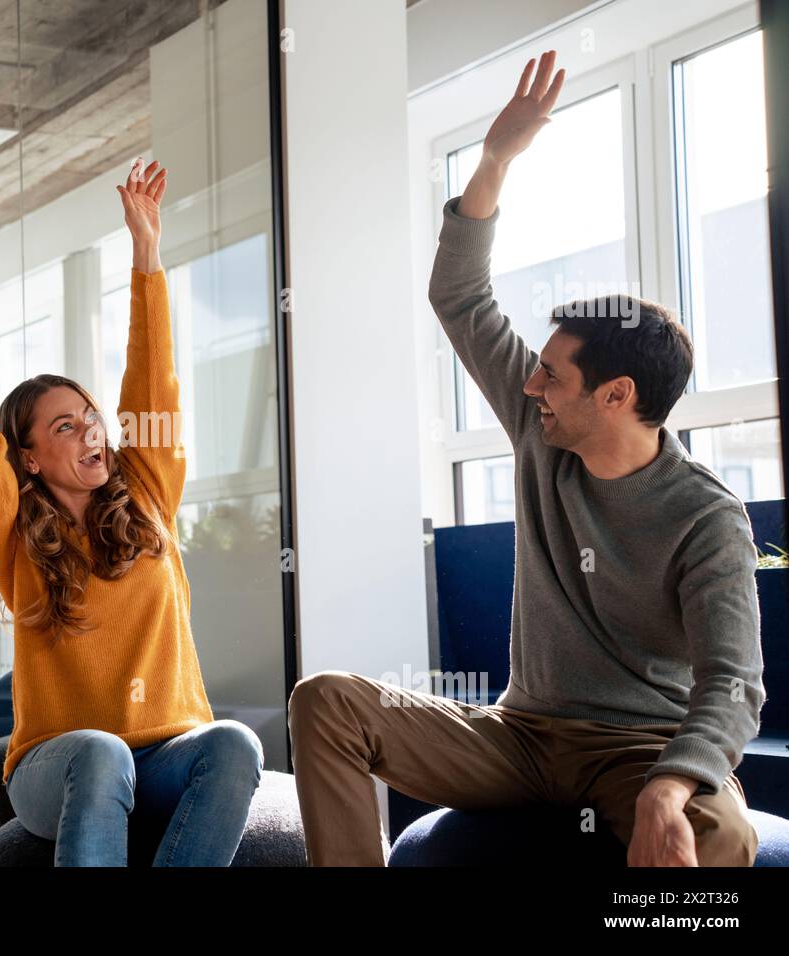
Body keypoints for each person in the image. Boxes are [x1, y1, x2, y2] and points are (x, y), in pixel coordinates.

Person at [289, 51, 764, 867]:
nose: (530, 383)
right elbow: (461, 296)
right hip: (520, 735)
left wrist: (671, 783)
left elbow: (732, 685)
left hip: (636, 746)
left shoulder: (705, 517)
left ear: (616, 396)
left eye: (552, 373)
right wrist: (496, 160)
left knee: (722, 836)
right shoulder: (544, 428)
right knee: (326, 702)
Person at [0, 159, 263, 866]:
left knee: (234, 743)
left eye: (89, 416)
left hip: (164, 756)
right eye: (64, 426)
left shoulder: (148, 493)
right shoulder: (13, 538)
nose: (91, 430)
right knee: (98, 751)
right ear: (28, 457)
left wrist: (146, 254)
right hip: (57, 767)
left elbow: (153, 385)